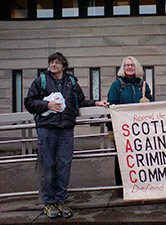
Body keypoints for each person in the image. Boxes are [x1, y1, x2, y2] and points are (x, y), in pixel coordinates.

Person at [25, 52, 108, 219]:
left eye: (57, 62)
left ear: (64, 65)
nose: (53, 65)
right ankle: (49, 203)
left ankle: (61, 200)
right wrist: (46, 104)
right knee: (48, 166)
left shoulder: (71, 82)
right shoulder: (41, 81)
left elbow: (80, 101)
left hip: (66, 130)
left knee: (64, 166)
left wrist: (96, 102)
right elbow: (29, 102)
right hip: (46, 129)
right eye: (51, 62)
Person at [107, 56, 153, 188]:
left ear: (136, 67)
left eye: (132, 65)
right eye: (127, 65)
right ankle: (122, 186)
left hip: (140, 129)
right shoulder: (117, 85)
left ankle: (141, 184)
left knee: (141, 157)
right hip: (123, 129)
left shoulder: (143, 85)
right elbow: (112, 104)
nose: (129, 67)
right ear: (123, 68)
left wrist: (148, 102)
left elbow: (152, 102)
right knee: (122, 158)